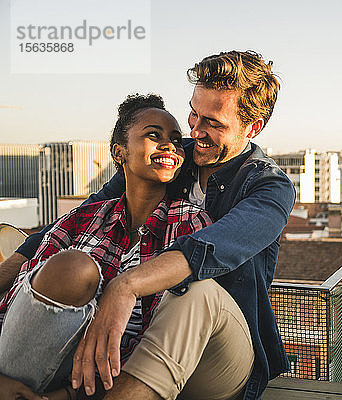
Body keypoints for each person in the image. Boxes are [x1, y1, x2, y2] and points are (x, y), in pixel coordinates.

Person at [2, 50, 296, 400]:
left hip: (220, 350)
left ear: (253, 126)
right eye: (193, 114)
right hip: (147, 332)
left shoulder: (269, 187)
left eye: (213, 124)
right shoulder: (174, 156)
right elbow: (81, 218)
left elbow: (208, 247)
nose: (195, 131)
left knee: (195, 290)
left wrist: (126, 287)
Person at [0, 93, 214, 399]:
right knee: (75, 268)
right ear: (119, 151)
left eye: (177, 140)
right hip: (21, 365)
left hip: (101, 384)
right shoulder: (82, 218)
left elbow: (160, 339)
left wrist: (67, 395)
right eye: (154, 135)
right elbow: (17, 300)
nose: (169, 145)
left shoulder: (191, 226)